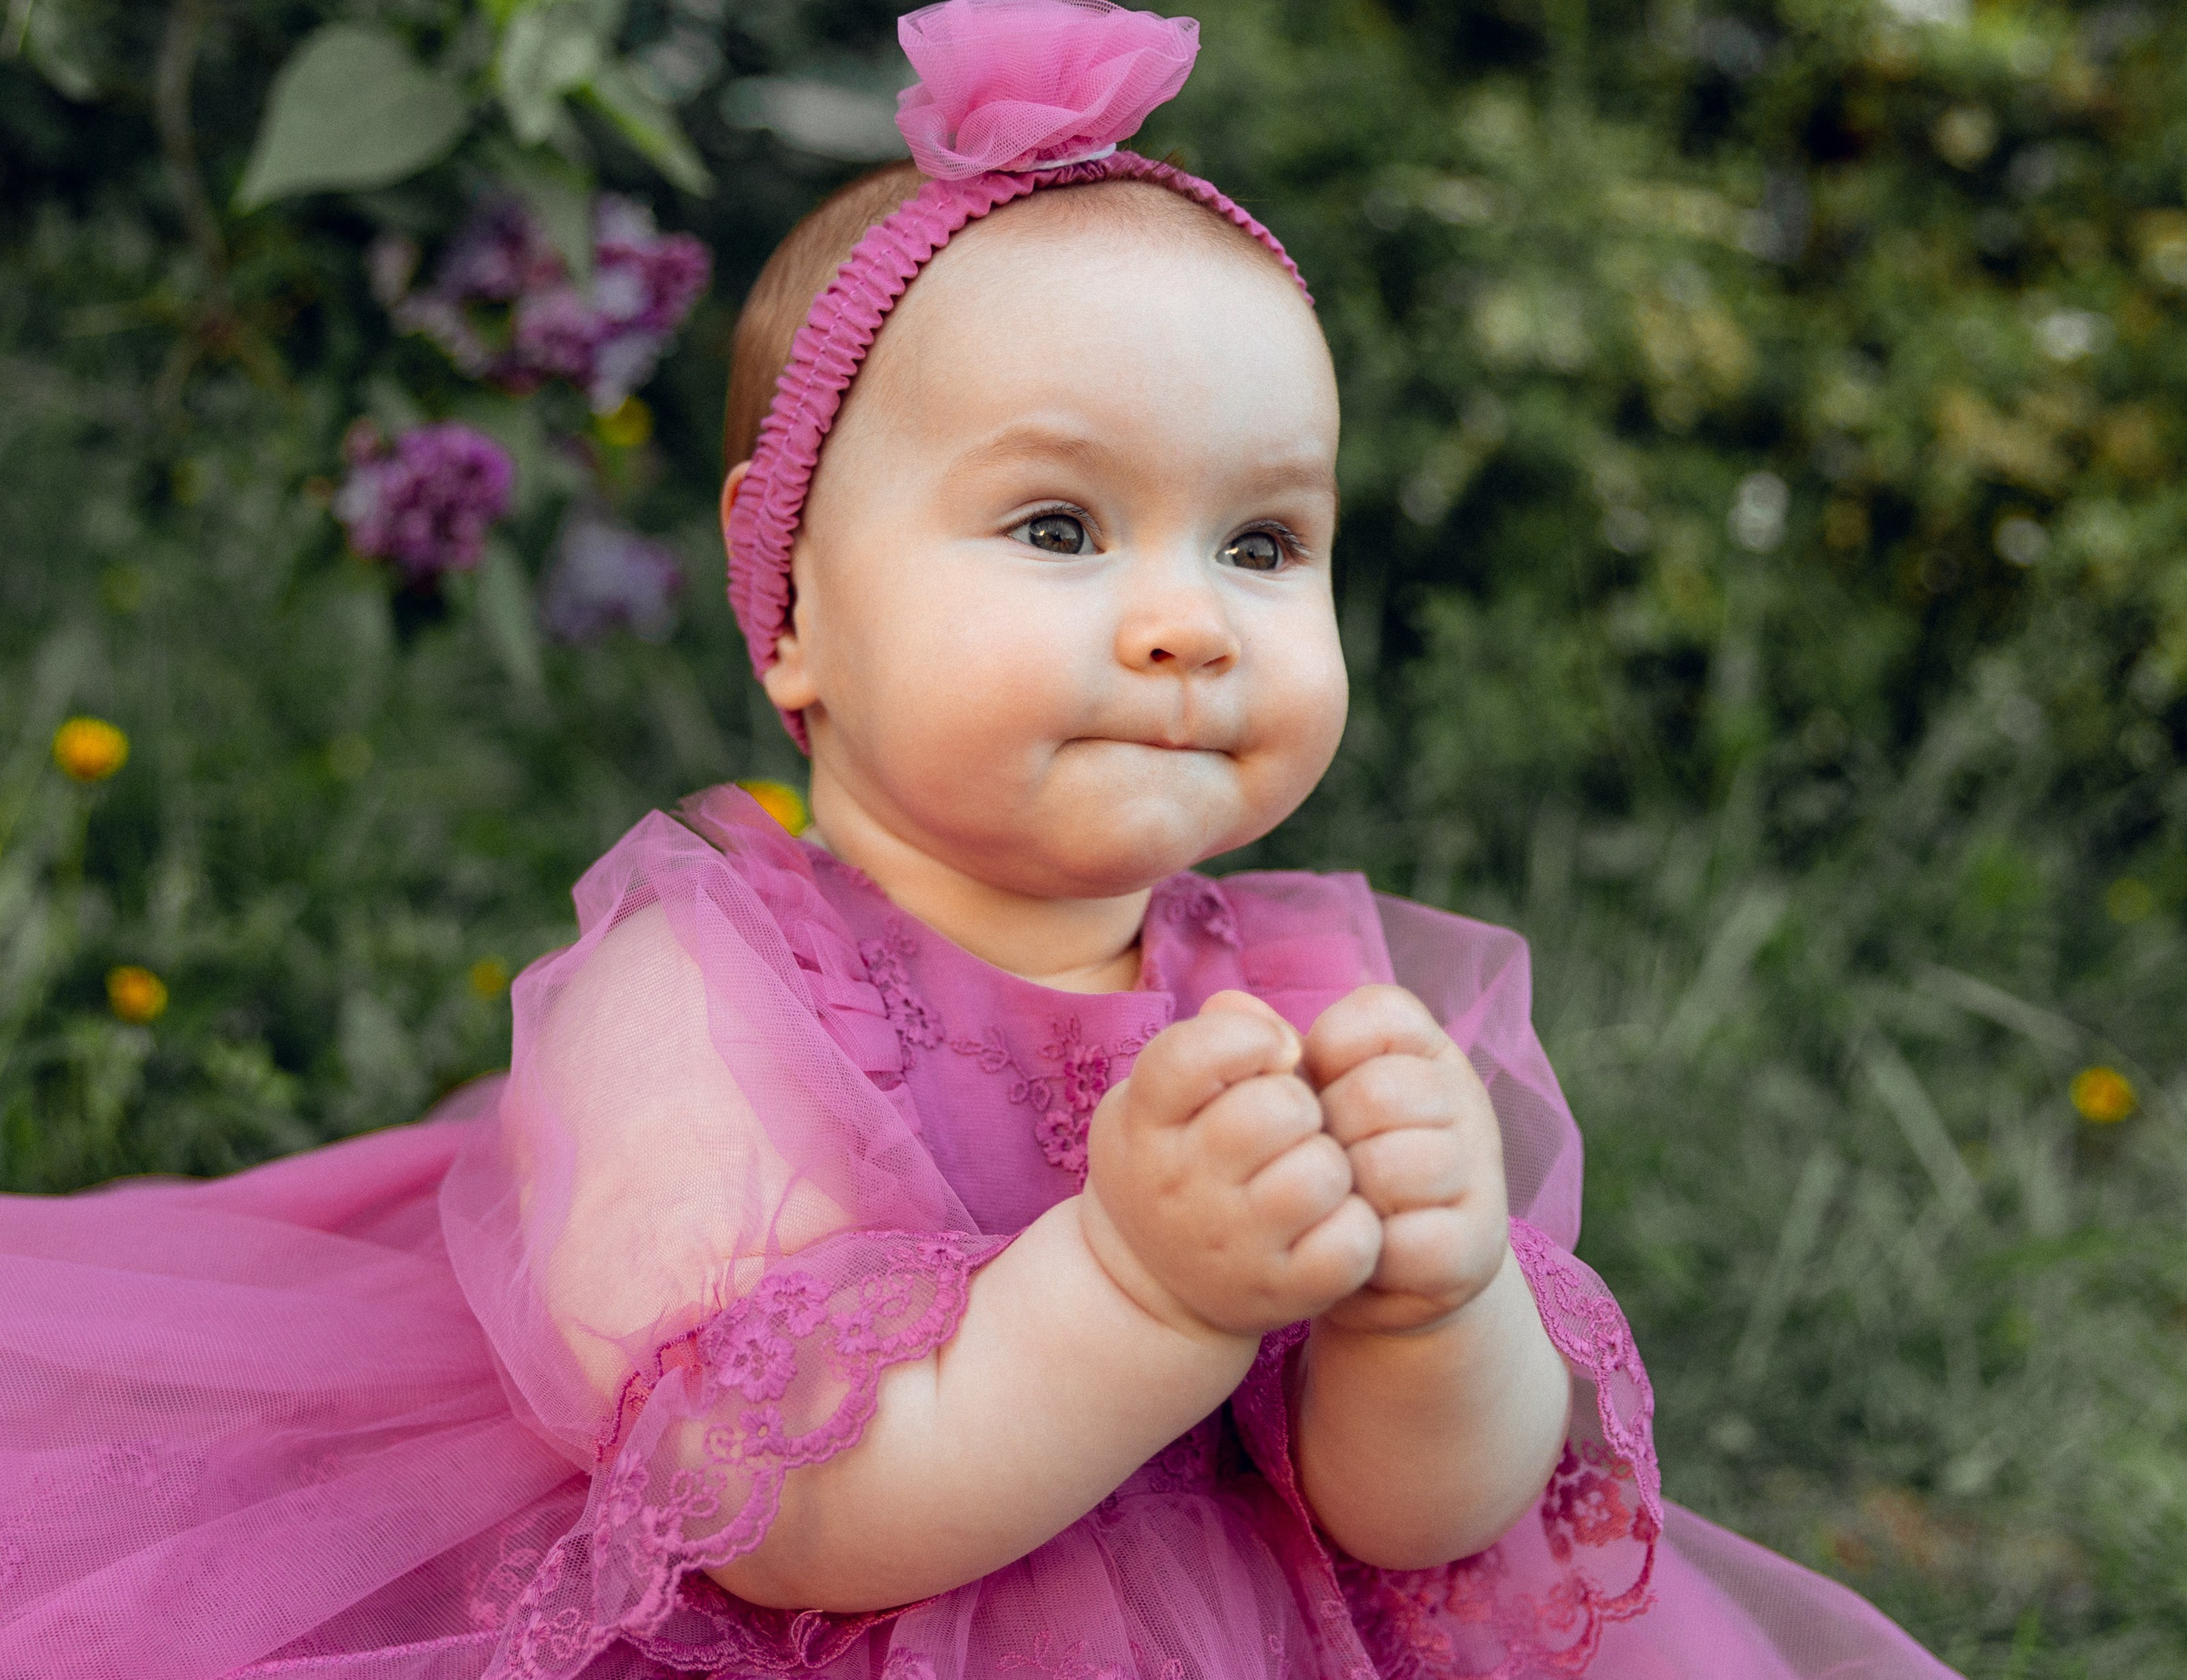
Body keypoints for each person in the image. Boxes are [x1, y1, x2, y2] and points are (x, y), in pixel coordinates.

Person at [0, 3, 1963, 1676]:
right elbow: (770, 1519)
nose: (1188, 617)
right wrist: (1140, 1292)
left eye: (1263, 542)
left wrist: (1433, 1308)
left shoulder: (1305, 1000)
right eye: (1055, 528)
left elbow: (1409, 1532)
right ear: (790, 610)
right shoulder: (695, 1000)